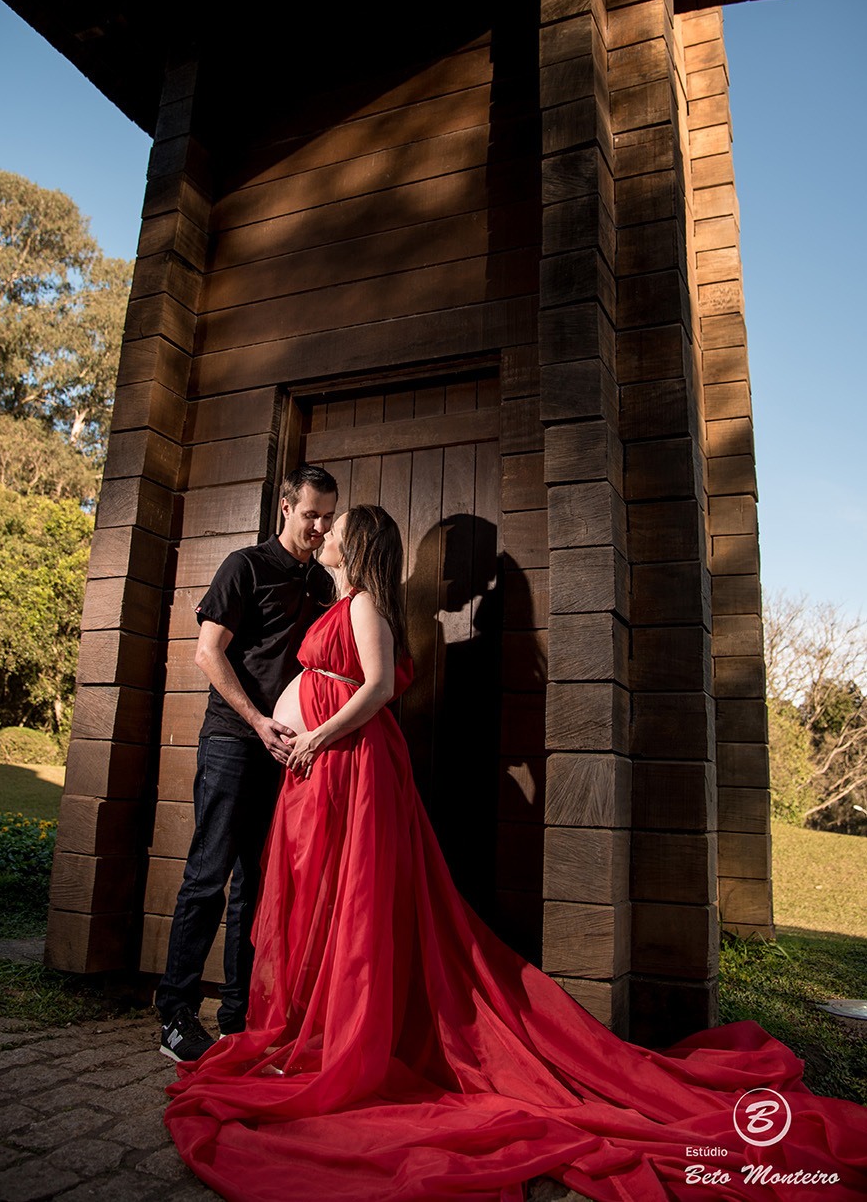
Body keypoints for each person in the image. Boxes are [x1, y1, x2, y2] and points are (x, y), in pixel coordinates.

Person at [164, 506, 867, 1201]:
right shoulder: (339, 599)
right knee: (321, 899)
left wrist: (316, 736)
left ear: (358, 542)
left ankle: (336, 1046)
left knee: (353, 909)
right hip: (326, 773)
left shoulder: (366, 607)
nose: (329, 533)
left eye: (338, 526)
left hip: (347, 765)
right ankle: (304, 1031)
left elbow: (378, 688)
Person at [155, 464, 338, 1062]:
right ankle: (175, 1016)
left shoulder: (325, 586)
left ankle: (238, 1018)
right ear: (285, 507)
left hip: (285, 753)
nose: (318, 527)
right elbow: (209, 653)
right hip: (236, 740)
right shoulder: (245, 566)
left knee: (258, 889)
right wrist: (258, 722)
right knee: (209, 876)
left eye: (327, 518)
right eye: (310, 514)